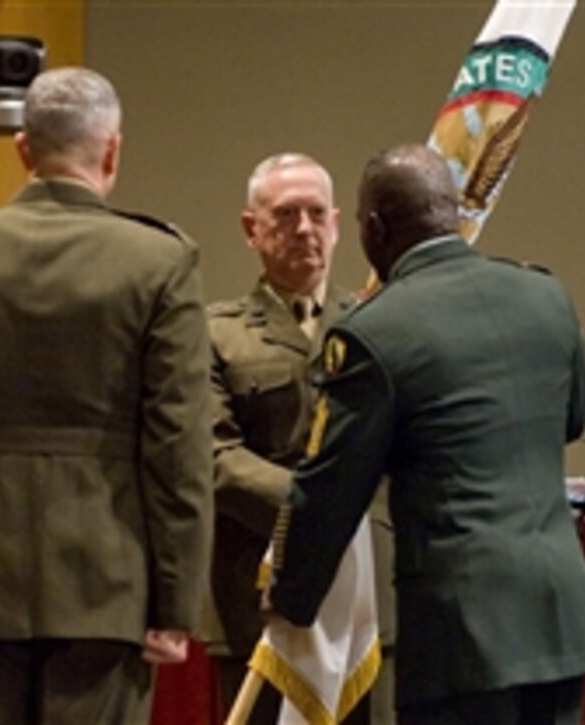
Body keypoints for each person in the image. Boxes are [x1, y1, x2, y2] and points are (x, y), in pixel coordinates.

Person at [0, 66, 213, 725]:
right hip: (106, 579)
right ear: (112, 150)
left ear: (24, 149)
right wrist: (175, 601)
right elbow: (180, 445)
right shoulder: (158, 262)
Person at [268, 143, 585, 724]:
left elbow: (329, 488)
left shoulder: (373, 333)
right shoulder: (544, 295)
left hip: (463, 634)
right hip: (559, 619)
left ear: (375, 228)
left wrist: (290, 597)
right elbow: (573, 419)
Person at [203, 152, 366, 723]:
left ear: (338, 224)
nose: (304, 229)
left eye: (317, 214)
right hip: (256, 595)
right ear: (252, 229)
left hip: (362, 603)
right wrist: (315, 502)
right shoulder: (215, 334)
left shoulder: (377, 322)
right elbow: (214, 458)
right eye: (286, 214)